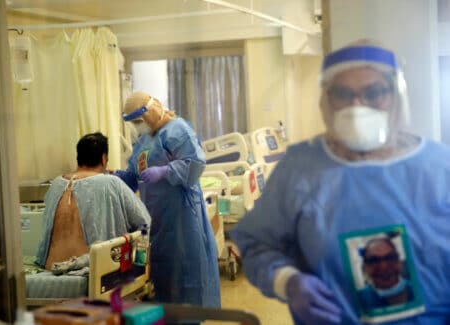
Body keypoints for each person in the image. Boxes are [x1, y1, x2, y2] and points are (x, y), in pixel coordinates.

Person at [230, 39, 450, 324]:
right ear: (326, 101)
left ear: (396, 97)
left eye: (373, 92)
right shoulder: (300, 168)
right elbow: (256, 243)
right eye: (343, 94)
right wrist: (288, 281)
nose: (357, 106)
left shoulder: (439, 167)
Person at [115, 91, 221, 308]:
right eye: (132, 122)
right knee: (165, 277)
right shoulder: (144, 139)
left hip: (182, 218)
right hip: (156, 219)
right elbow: (134, 175)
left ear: (150, 112)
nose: (136, 127)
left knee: (186, 276)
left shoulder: (177, 130)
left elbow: (195, 164)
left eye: (137, 120)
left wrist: (165, 172)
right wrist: (115, 178)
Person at [36, 132, 151, 269]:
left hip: (49, 270)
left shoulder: (56, 184)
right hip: (91, 273)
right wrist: (139, 260)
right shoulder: (111, 183)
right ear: (103, 159)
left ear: (78, 157)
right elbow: (145, 223)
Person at [358, 237, 414, 310]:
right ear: (365, 268)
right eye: (374, 260)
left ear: (399, 263)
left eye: (390, 258)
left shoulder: (419, 289)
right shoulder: (358, 299)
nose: (383, 267)